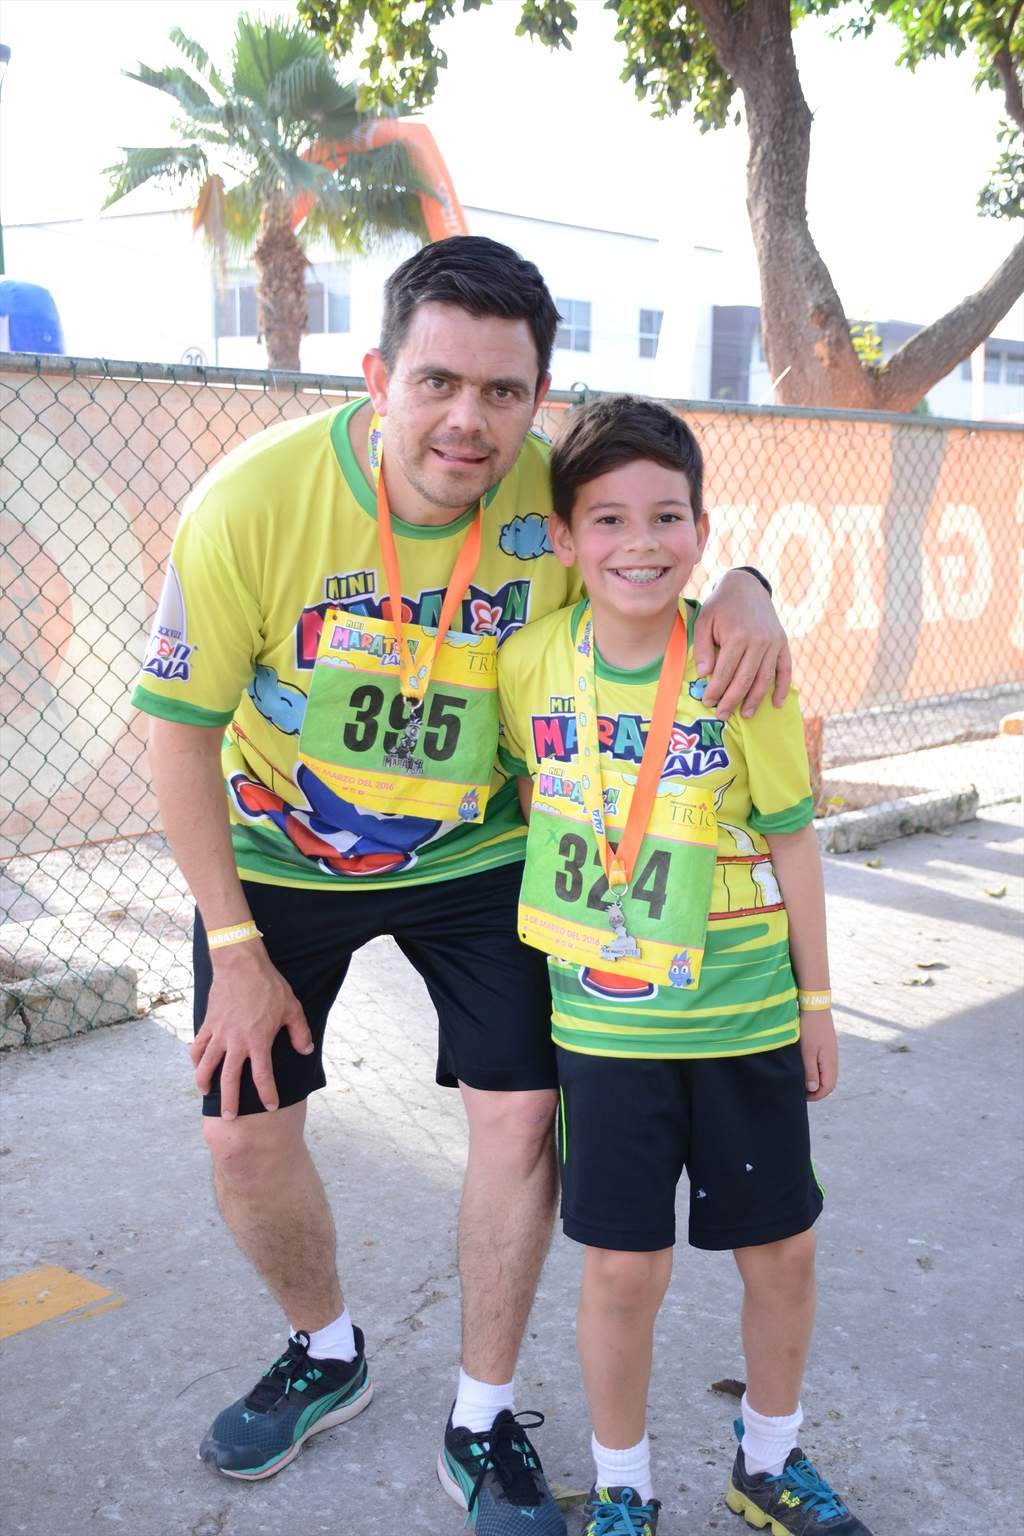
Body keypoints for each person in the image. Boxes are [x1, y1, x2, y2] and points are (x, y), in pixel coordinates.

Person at [132, 238, 791, 1534]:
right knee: (242, 1130)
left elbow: (659, 547)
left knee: (519, 1116)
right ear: (378, 376)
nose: (467, 421)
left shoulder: (550, 492)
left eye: (503, 392)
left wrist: (746, 589)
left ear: (539, 398)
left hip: (480, 849)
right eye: (437, 382)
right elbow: (177, 733)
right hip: (279, 852)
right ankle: (325, 1350)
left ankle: (482, 1417)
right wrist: (235, 945)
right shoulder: (250, 504)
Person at [497, 394, 872, 1535]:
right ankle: (624, 1485)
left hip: (745, 1015)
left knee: (782, 1253)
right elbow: (527, 798)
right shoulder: (527, 662)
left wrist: (817, 1003)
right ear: (565, 540)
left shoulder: (739, 662)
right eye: (608, 519)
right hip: (605, 1031)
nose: (641, 543)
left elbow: (793, 839)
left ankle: (769, 1461)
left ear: (703, 532)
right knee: (621, 1273)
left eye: (667, 517)